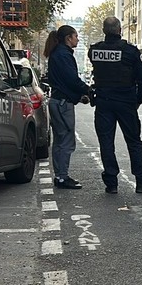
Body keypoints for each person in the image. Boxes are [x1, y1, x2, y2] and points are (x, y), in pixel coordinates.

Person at [88, 16, 142, 194]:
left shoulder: (95, 51)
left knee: (106, 143)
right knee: (134, 142)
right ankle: (141, 181)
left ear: (103, 30)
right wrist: (137, 101)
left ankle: (111, 183)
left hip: (103, 102)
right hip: (126, 102)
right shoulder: (130, 52)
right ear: (120, 30)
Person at [45, 25, 90, 189]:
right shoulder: (64, 55)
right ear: (68, 38)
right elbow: (71, 80)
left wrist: (79, 96)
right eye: (75, 36)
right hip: (63, 104)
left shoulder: (57, 53)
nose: (77, 39)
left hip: (57, 100)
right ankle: (62, 177)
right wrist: (87, 90)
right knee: (66, 141)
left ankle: (59, 176)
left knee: (59, 140)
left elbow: (64, 82)